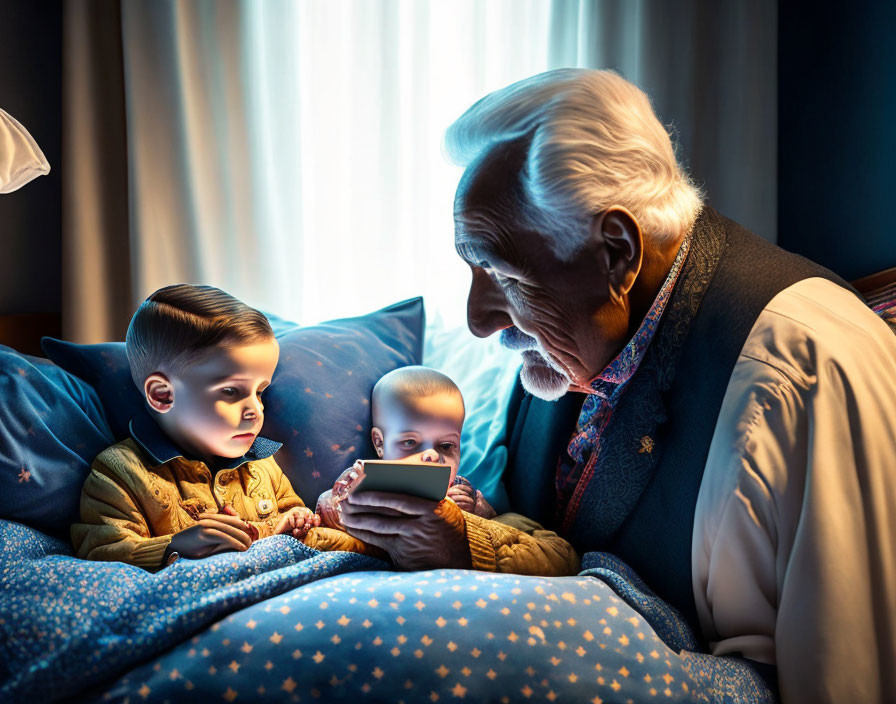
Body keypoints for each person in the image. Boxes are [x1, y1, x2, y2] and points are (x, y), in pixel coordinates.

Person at [338, 69, 896, 703]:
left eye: (504, 275)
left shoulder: (805, 371)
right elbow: (543, 538)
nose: (478, 321)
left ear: (617, 252)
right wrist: (459, 539)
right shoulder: (565, 342)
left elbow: (849, 678)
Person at [71, 284, 329, 570]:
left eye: (260, 392)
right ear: (162, 395)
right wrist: (174, 546)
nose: (256, 411)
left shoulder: (264, 462)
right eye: (231, 392)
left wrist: (296, 521)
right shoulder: (118, 472)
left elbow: (292, 514)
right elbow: (98, 553)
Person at [320, 365, 579, 576]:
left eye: (446, 445)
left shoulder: (465, 496)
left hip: (474, 553)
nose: (432, 456)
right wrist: (334, 502)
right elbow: (326, 517)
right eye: (410, 443)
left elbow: (553, 551)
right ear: (379, 443)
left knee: (549, 548)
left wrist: (481, 513)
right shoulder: (359, 483)